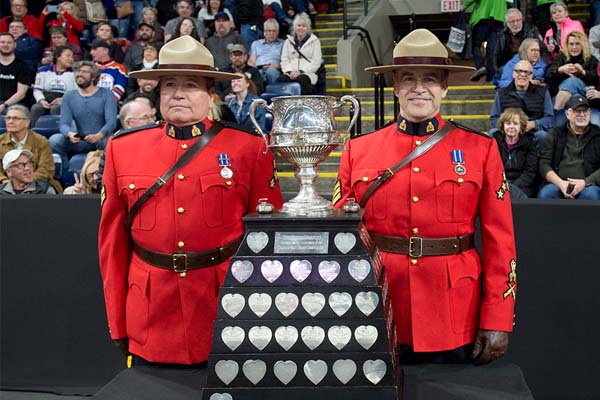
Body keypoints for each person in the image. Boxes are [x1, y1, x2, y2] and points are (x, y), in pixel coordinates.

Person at [334, 29, 517, 365]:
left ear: (444, 87)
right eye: (408, 78)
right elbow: (340, 238)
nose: (419, 88)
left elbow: (500, 241)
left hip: (453, 311)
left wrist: (497, 317)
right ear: (395, 86)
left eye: (430, 78)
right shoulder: (358, 151)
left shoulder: (481, 150)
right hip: (378, 307)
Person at [98, 35, 283, 365]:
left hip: (225, 309)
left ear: (211, 93)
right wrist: (117, 322)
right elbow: (112, 244)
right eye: (169, 85)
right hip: (151, 313)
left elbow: (268, 242)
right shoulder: (123, 149)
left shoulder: (248, 147)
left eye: (191, 85)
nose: (178, 93)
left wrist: (267, 314)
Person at [49, 60, 118, 176]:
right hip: (80, 140)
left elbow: (111, 122)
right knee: (55, 140)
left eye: (85, 72)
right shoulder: (69, 96)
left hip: (101, 138)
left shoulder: (107, 95)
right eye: (78, 71)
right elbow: (64, 124)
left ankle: (105, 176)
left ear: (93, 77)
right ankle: (64, 175)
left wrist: (99, 135)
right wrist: (70, 134)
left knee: (110, 141)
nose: (79, 74)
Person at [538, 95, 600, 200]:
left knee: (591, 195)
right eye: (577, 111)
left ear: (589, 113)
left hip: (588, 185)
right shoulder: (555, 133)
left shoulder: (598, 135)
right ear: (567, 114)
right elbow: (544, 164)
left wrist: (585, 182)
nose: (582, 114)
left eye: (585, 111)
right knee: (546, 194)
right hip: (559, 185)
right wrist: (561, 184)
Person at [490, 60, 554, 152]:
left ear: (531, 75)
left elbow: (550, 119)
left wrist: (534, 124)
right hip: (508, 133)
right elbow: (494, 119)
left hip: (532, 133)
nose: (523, 75)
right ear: (513, 74)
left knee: (542, 136)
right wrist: (509, 126)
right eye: (519, 71)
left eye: (527, 72)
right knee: (492, 133)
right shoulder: (501, 93)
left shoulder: (543, 92)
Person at [0, 105, 61, 192]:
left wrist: (26, 180)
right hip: (5, 186)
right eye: (8, 118)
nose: (10, 122)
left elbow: (46, 169)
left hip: (37, 185)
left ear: (27, 122)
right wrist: (5, 181)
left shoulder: (41, 141)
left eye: (15, 118)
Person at [546, 31, 598, 115]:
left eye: (577, 44)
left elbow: (596, 79)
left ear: (583, 45)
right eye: (571, 44)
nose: (574, 47)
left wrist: (582, 72)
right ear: (567, 45)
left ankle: (554, 113)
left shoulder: (591, 59)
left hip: (585, 96)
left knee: (572, 81)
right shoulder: (560, 57)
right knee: (571, 95)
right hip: (562, 98)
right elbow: (548, 75)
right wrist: (561, 69)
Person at [493, 108, 538, 198]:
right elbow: (492, 169)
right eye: (508, 123)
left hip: (522, 185)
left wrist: (512, 188)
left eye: (515, 123)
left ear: (521, 126)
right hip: (499, 184)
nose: (511, 127)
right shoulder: (494, 142)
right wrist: (504, 185)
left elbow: (530, 172)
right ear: (503, 126)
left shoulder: (529, 143)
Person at [30, 46, 77, 128]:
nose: (71, 59)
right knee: (36, 108)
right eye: (68, 56)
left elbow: (77, 91)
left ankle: (57, 132)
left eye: (72, 57)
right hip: (46, 98)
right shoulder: (43, 71)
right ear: (58, 57)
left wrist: (63, 99)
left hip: (64, 100)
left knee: (56, 108)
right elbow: (37, 89)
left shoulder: (75, 73)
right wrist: (41, 100)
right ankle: (33, 132)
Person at [462, 0, 507, 83]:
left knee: (475, 45)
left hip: (482, 17)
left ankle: (480, 66)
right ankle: (490, 78)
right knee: (492, 51)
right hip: (499, 19)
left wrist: (464, 6)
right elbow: (509, 2)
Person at [279, 13, 322, 95]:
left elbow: (316, 62)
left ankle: (306, 104)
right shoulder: (288, 41)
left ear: (308, 28)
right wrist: (289, 71)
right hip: (290, 73)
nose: (301, 28)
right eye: (299, 25)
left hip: (308, 73)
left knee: (302, 79)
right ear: (294, 27)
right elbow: (284, 60)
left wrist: (301, 71)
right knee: (282, 78)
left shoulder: (315, 41)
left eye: (304, 26)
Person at [494, 8, 543, 75]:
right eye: (512, 21)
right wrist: (497, 70)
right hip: (509, 66)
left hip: (529, 64)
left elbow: (543, 50)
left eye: (518, 20)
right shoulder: (501, 34)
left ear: (522, 19)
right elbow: (496, 54)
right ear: (507, 23)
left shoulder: (532, 30)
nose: (516, 24)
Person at [0, 32, 34, 114]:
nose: (6, 45)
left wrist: (4, 105)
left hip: (15, 104)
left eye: (9, 42)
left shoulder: (24, 67)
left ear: (15, 45)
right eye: (2, 42)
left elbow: (21, 93)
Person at [248, 18, 284, 85]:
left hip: (275, 70)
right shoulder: (256, 44)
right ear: (264, 32)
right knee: (254, 74)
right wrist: (257, 68)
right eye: (269, 31)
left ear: (278, 32)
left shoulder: (283, 44)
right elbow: (251, 61)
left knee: (271, 72)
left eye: (274, 31)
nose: (271, 33)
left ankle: (272, 94)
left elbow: (287, 62)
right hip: (259, 70)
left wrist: (277, 66)